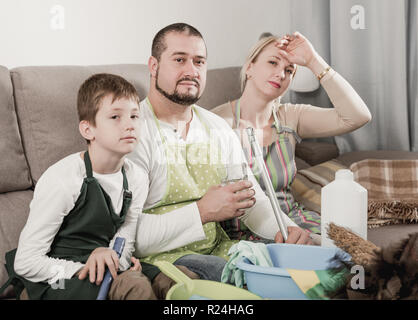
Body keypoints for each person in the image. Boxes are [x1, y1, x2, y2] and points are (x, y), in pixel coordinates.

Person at [128, 23, 312, 283]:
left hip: (219, 253)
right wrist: (202, 212)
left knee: (307, 276)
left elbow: (252, 202)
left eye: (199, 62)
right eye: (179, 59)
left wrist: (286, 229)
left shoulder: (216, 127)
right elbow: (127, 238)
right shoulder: (131, 132)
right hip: (159, 263)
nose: (192, 71)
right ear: (154, 66)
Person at [0, 73, 197, 300]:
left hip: (104, 265)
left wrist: (117, 263)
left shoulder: (137, 178)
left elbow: (124, 241)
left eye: (134, 116)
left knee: (180, 278)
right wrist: (85, 269)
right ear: (87, 130)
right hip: (54, 278)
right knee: (135, 287)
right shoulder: (63, 179)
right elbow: (26, 262)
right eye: (115, 117)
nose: (130, 125)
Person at [212, 32, 372, 239]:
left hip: (294, 221)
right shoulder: (215, 122)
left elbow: (358, 116)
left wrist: (313, 61)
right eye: (272, 62)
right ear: (249, 67)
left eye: (289, 70)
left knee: (350, 252)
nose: (281, 74)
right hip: (242, 231)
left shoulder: (290, 117)